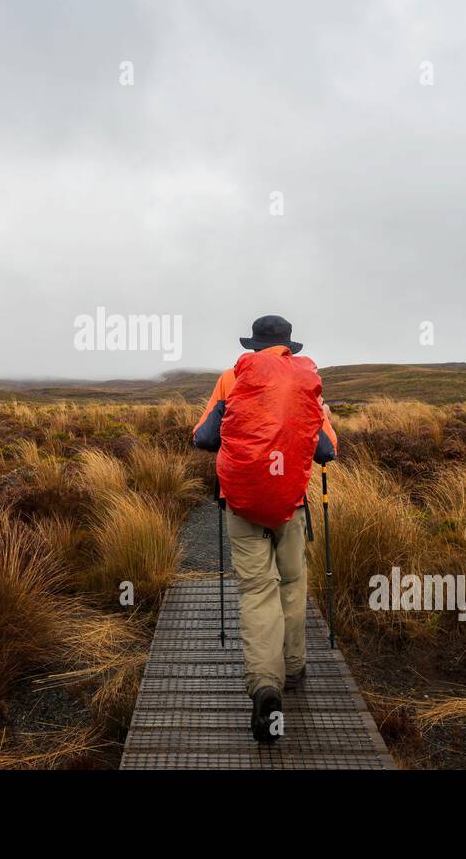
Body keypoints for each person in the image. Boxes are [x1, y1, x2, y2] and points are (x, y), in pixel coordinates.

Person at [192, 315, 337, 743]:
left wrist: (242, 438)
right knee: (291, 582)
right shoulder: (307, 379)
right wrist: (323, 417)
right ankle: (293, 667)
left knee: (257, 589)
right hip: (291, 504)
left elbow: (202, 437)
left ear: (253, 344)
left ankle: (265, 686)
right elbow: (326, 451)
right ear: (288, 345)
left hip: (242, 504)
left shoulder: (230, 377)